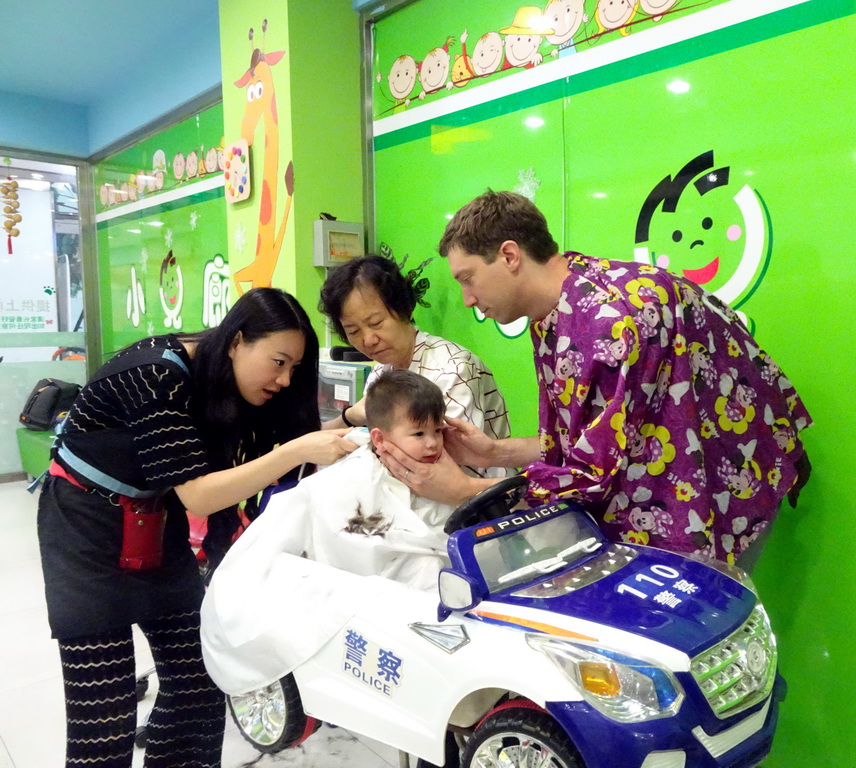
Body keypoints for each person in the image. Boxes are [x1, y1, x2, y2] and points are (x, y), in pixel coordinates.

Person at [376, 190, 812, 568]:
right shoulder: (559, 306)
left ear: (509, 256)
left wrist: (470, 491)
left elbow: (591, 476)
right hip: (680, 474)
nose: (469, 299)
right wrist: (498, 451)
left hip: (730, 483)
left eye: (468, 279)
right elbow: (595, 439)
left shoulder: (608, 321)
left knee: (699, 644)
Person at [36, 288, 353, 768]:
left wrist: (351, 420)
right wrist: (295, 452)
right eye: (279, 362)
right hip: (84, 527)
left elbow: (286, 442)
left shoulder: (221, 376)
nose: (286, 380)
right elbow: (200, 494)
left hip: (154, 521)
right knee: (105, 711)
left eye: (294, 368)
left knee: (200, 682)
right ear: (237, 341)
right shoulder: (154, 376)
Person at [201, 370, 457, 696]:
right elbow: (343, 540)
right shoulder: (355, 474)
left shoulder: (441, 466)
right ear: (379, 438)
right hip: (377, 589)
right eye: (419, 433)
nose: (433, 442)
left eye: (438, 430)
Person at [319, 253, 510, 478]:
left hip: (480, 500)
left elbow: (449, 464)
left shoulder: (453, 369)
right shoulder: (381, 372)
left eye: (376, 323)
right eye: (353, 331)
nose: (368, 340)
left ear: (404, 309)